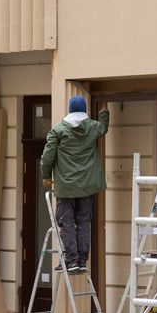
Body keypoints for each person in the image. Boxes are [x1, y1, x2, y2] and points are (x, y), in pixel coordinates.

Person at [40, 95, 109, 274]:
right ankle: (82, 261)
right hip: (87, 186)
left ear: (70, 109)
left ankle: (71, 261)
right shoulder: (92, 127)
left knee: (67, 222)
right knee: (84, 222)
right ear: (84, 109)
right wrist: (103, 110)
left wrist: (46, 176)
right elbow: (103, 128)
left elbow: (47, 157)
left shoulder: (58, 130)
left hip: (65, 187)